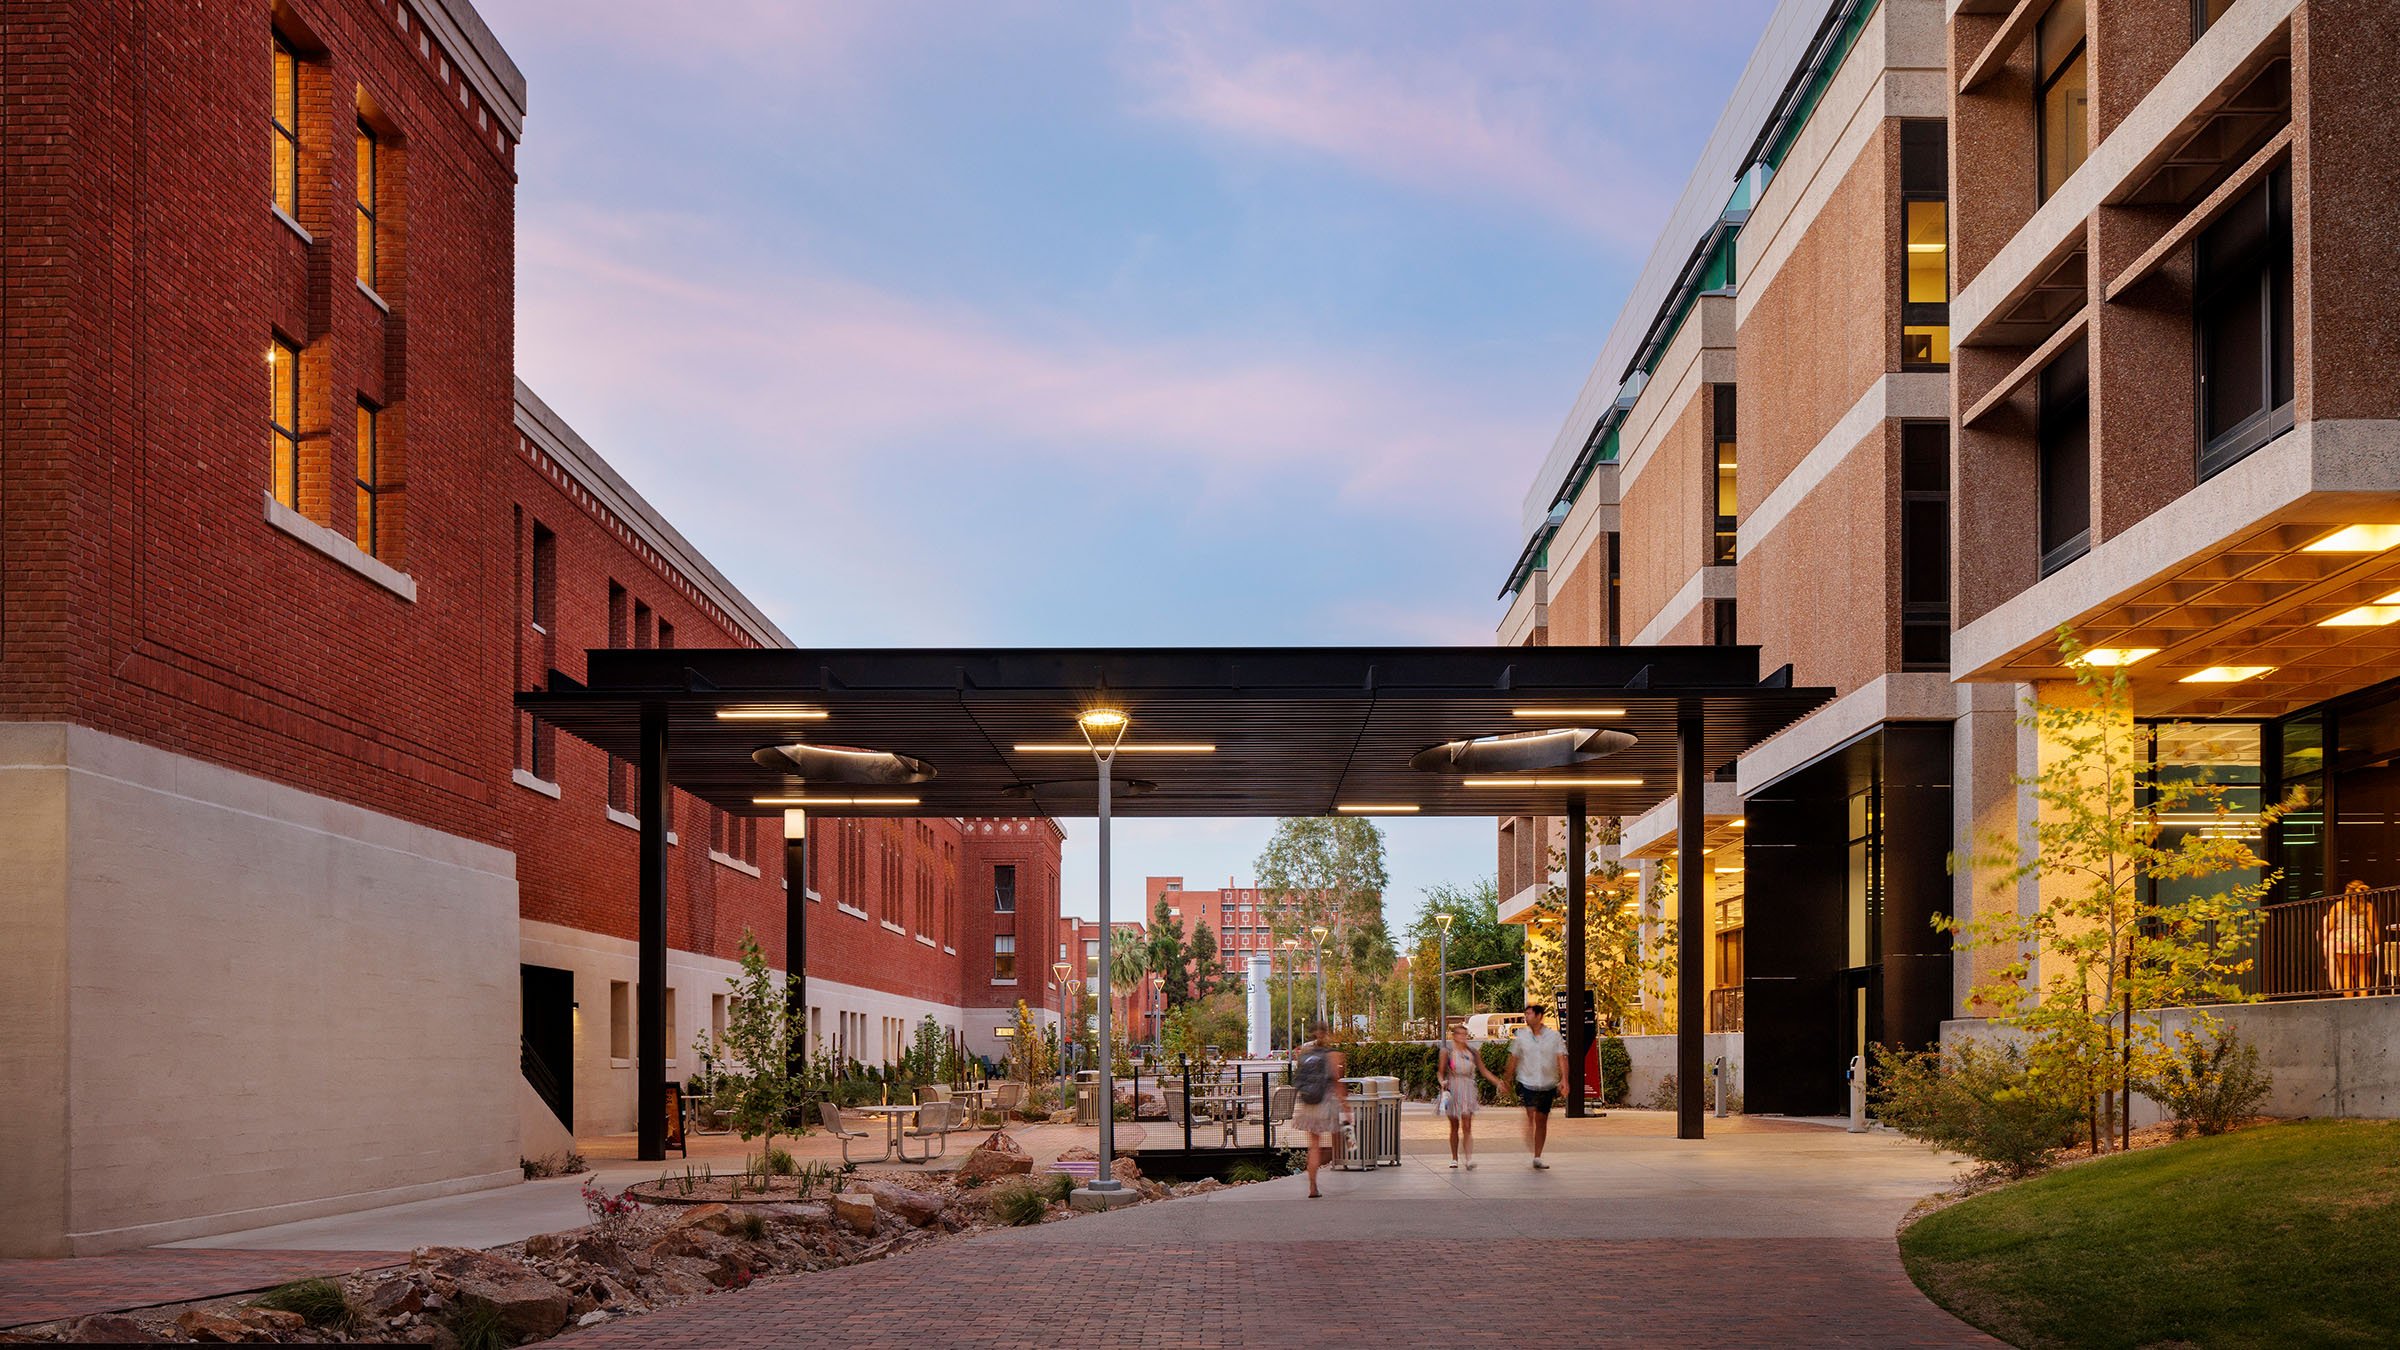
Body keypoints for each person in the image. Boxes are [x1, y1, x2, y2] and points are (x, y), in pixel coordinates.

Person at [1501, 1001, 1568, 1169]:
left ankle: (1537, 1155)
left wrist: (1564, 1080)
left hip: (1547, 1083)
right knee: (1531, 1114)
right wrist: (1507, 1080)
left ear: (1539, 1016)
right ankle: (1531, 1137)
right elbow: (1513, 1058)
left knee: (1542, 1119)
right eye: (1526, 1015)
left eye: (1529, 1014)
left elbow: (1562, 1058)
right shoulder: (1521, 1036)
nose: (1526, 1018)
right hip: (1527, 1081)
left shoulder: (1554, 1036)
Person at [1289, 1022, 1347, 1198]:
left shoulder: (1305, 1055)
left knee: (1314, 1146)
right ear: (1326, 1034)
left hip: (1308, 1103)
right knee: (1337, 1140)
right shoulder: (1332, 1054)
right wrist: (1346, 1107)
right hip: (1325, 1102)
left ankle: (1313, 1187)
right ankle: (1334, 1161)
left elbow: (1299, 1078)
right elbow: (1337, 1082)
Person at [1440, 1022, 1496, 1169]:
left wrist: (1498, 1082)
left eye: (1465, 1034)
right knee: (1454, 1125)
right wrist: (1442, 1082)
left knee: (1467, 1124)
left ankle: (1468, 1158)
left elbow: (1484, 1071)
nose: (1463, 1037)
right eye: (1459, 1034)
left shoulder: (1472, 1052)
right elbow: (1440, 1072)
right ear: (1454, 1036)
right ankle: (1454, 1158)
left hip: (1468, 1087)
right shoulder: (1448, 1052)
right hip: (1453, 1086)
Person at [2324, 880, 2380, 997]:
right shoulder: (2368, 906)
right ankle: (2363, 1001)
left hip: (2342, 939)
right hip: (2362, 939)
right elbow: (2372, 927)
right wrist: (2378, 943)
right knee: (2363, 973)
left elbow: (2330, 926)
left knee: (2346, 974)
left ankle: (2349, 1002)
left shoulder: (2338, 906)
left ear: (2347, 891)